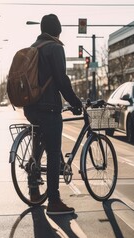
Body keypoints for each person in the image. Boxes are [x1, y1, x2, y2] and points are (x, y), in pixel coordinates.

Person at [23, 14, 83, 215]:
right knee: (54, 150)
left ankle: (34, 191)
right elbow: (61, 80)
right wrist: (75, 103)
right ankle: (54, 201)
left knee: (39, 145)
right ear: (58, 30)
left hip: (31, 107)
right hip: (48, 107)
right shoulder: (55, 48)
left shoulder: (34, 47)